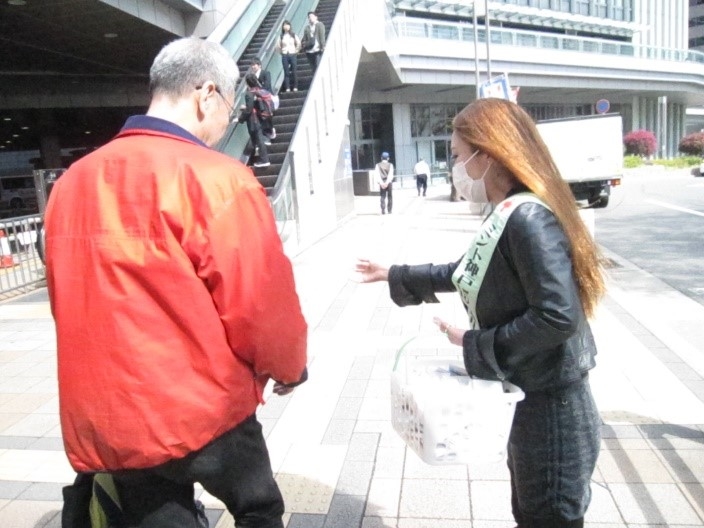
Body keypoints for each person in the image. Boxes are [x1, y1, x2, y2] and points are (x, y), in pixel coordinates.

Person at [44, 37, 308, 528]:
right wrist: (288, 367)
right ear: (206, 94)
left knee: (160, 517)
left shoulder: (71, 184)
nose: (228, 119)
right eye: (229, 106)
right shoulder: (219, 180)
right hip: (201, 409)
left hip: (110, 414)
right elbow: (261, 302)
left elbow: (66, 298)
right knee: (259, 508)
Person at [356, 98, 604, 528]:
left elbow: (557, 316)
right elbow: (468, 270)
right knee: (530, 510)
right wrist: (396, 274)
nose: (457, 167)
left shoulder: (526, 218)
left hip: (553, 405)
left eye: (457, 156)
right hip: (533, 392)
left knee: (548, 514)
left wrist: (475, 344)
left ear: (486, 155)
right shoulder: (510, 213)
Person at [239, 73, 273, 168]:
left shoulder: (249, 94)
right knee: (258, 138)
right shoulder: (259, 90)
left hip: (253, 120)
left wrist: (240, 119)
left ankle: (264, 159)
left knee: (258, 139)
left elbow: (249, 110)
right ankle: (260, 158)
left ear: (247, 83)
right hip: (260, 118)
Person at [277, 20, 300, 92]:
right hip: (285, 55)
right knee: (286, 72)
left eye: (287, 25)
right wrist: (282, 52)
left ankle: (295, 86)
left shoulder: (293, 35)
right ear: (283, 27)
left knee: (294, 71)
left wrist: (296, 51)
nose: (286, 26)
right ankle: (287, 87)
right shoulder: (281, 36)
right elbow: (277, 46)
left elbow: (298, 43)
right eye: (284, 25)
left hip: (292, 54)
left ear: (290, 26)